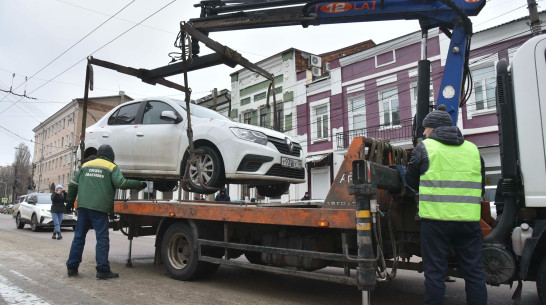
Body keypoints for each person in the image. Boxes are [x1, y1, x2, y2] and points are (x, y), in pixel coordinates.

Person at [406, 105, 487, 305]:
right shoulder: (473, 150)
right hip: (468, 222)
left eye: (425, 129)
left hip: (435, 223)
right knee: (475, 274)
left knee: (435, 275)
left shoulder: (424, 148)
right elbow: (481, 185)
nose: (423, 133)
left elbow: (411, 181)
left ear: (433, 128)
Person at [65, 144, 146, 280]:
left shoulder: (86, 166)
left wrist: (69, 202)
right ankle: (102, 270)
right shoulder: (111, 167)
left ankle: (72, 268)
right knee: (102, 239)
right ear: (111, 155)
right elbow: (122, 183)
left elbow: (73, 184)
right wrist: (139, 184)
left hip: (83, 207)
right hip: (99, 209)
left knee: (79, 237)